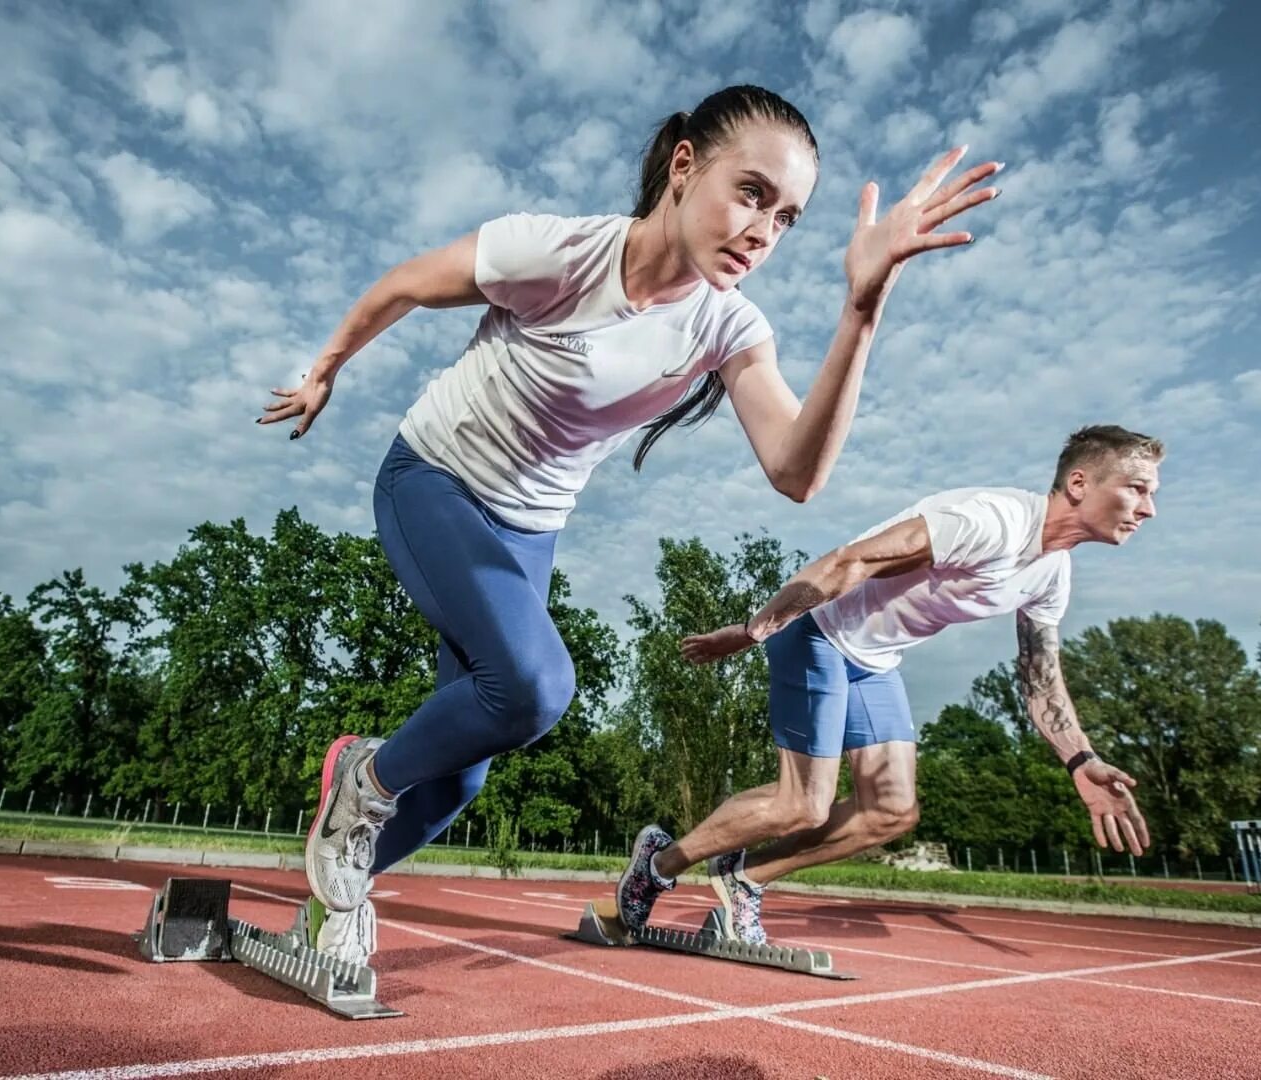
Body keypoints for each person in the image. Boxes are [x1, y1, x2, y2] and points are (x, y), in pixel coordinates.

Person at [257, 84, 1003, 965]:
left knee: (464, 766)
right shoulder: (560, 251)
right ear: (684, 166)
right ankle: (361, 776)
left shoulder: (729, 325)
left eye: (789, 218)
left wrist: (862, 307)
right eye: (751, 193)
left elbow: (796, 472)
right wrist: (324, 368)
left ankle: (337, 890)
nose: (764, 230)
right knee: (534, 688)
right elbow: (408, 286)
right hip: (435, 481)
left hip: (527, 531)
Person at [615, 425, 1161, 945]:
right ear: (1080, 483)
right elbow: (853, 560)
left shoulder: (1051, 572)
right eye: (1137, 488)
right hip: (819, 632)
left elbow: (1040, 677)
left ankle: (743, 878)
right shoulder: (991, 520)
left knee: (893, 810)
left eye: (1151, 494)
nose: (1148, 508)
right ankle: (658, 864)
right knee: (804, 805)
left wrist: (1079, 759)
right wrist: (755, 630)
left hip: (874, 661)